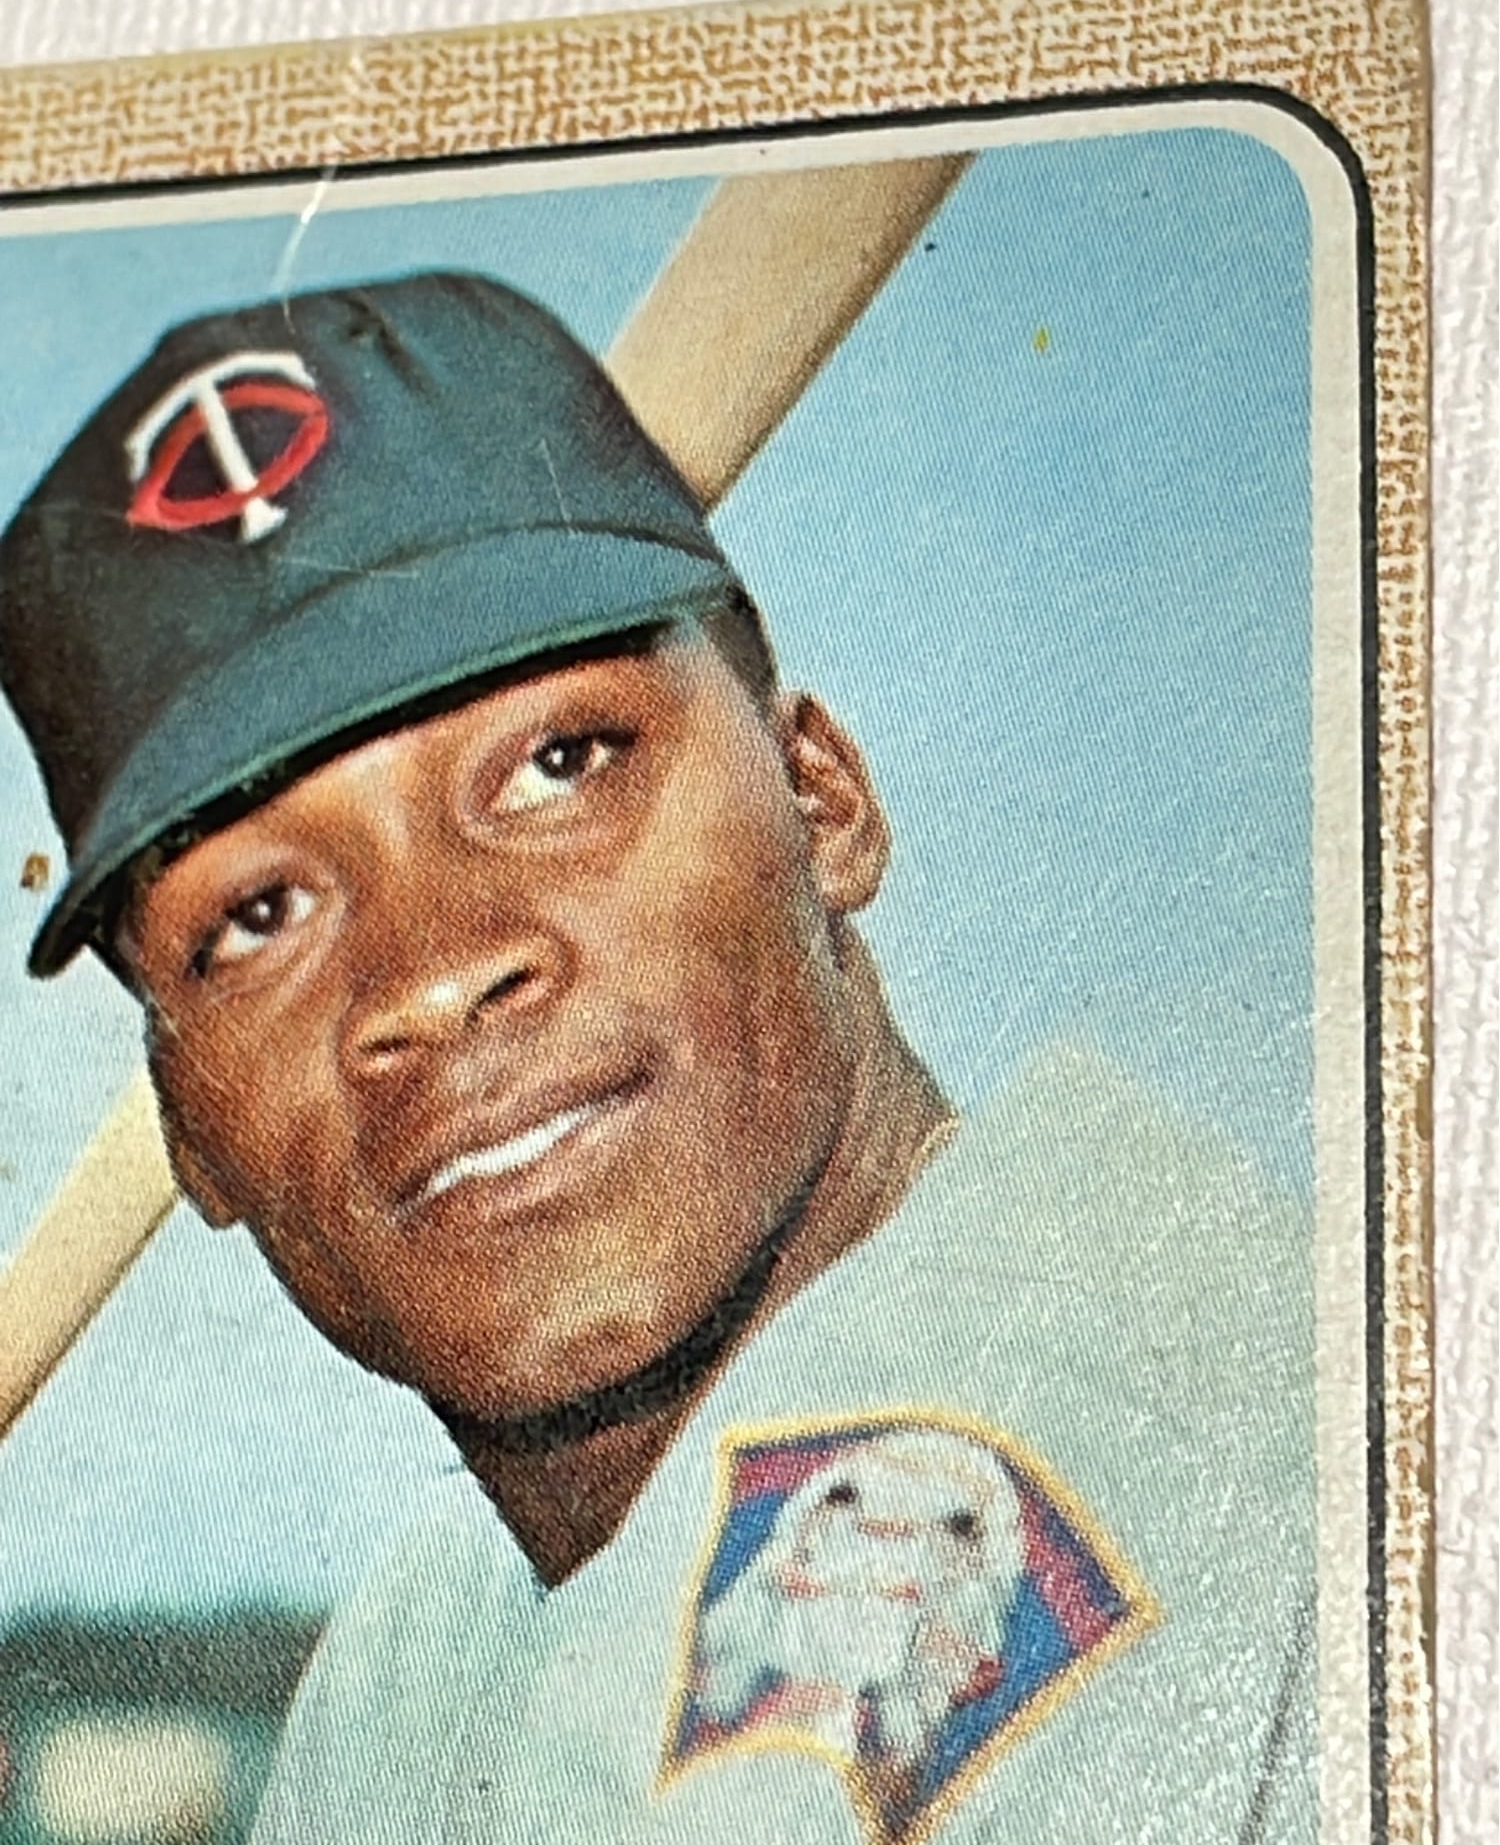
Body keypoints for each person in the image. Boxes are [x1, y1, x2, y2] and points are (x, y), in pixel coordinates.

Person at [0, 272, 1317, 1843]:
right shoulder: (427, 1646)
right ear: (189, 1133)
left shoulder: (1095, 1459)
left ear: (822, 801)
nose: (433, 972)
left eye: (559, 764)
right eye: (258, 913)